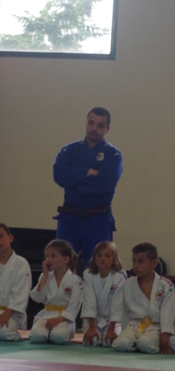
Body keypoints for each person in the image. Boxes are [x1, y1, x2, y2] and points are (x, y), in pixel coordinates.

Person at [53, 107, 123, 265]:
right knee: (60, 266)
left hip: (98, 219)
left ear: (107, 129)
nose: (94, 128)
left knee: (100, 268)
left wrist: (74, 179)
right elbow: (59, 175)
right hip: (69, 217)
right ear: (86, 123)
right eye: (91, 123)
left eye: (100, 125)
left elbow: (107, 182)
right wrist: (87, 171)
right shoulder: (69, 150)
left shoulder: (113, 155)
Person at [112, 242, 175, 354]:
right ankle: (134, 343)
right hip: (134, 326)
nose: (135, 265)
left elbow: (167, 313)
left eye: (140, 261)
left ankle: (140, 343)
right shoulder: (128, 284)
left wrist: (164, 338)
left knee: (145, 344)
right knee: (120, 344)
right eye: (134, 261)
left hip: (155, 327)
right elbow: (125, 312)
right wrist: (124, 332)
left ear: (154, 263)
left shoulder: (165, 285)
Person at [30, 240, 82, 345]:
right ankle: (47, 334)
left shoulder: (75, 280)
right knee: (37, 337)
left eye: (53, 256)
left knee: (60, 337)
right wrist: (45, 275)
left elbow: (74, 306)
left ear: (66, 259)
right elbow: (38, 298)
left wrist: (59, 319)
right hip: (46, 315)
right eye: (47, 256)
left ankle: (54, 334)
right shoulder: (45, 276)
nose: (48, 259)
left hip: (64, 318)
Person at [82, 241, 125, 347]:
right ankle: (92, 328)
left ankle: (110, 330)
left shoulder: (119, 277)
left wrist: (111, 330)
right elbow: (89, 301)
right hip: (93, 320)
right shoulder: (88, 275)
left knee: (110, 342)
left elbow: (117, 304)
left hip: (111, 321)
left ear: (114, 259)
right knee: (92, 342)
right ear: (94, 258)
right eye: (99, 255)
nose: (102, 258)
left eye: (107, 256)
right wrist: (92, 328)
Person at [0, 223, 31, 342]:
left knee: (4, 331)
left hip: (12, 313)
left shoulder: (21, 264)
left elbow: (21, 293)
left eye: (1, 236)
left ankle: (16, 336)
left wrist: (7, 313)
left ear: (10, 238)